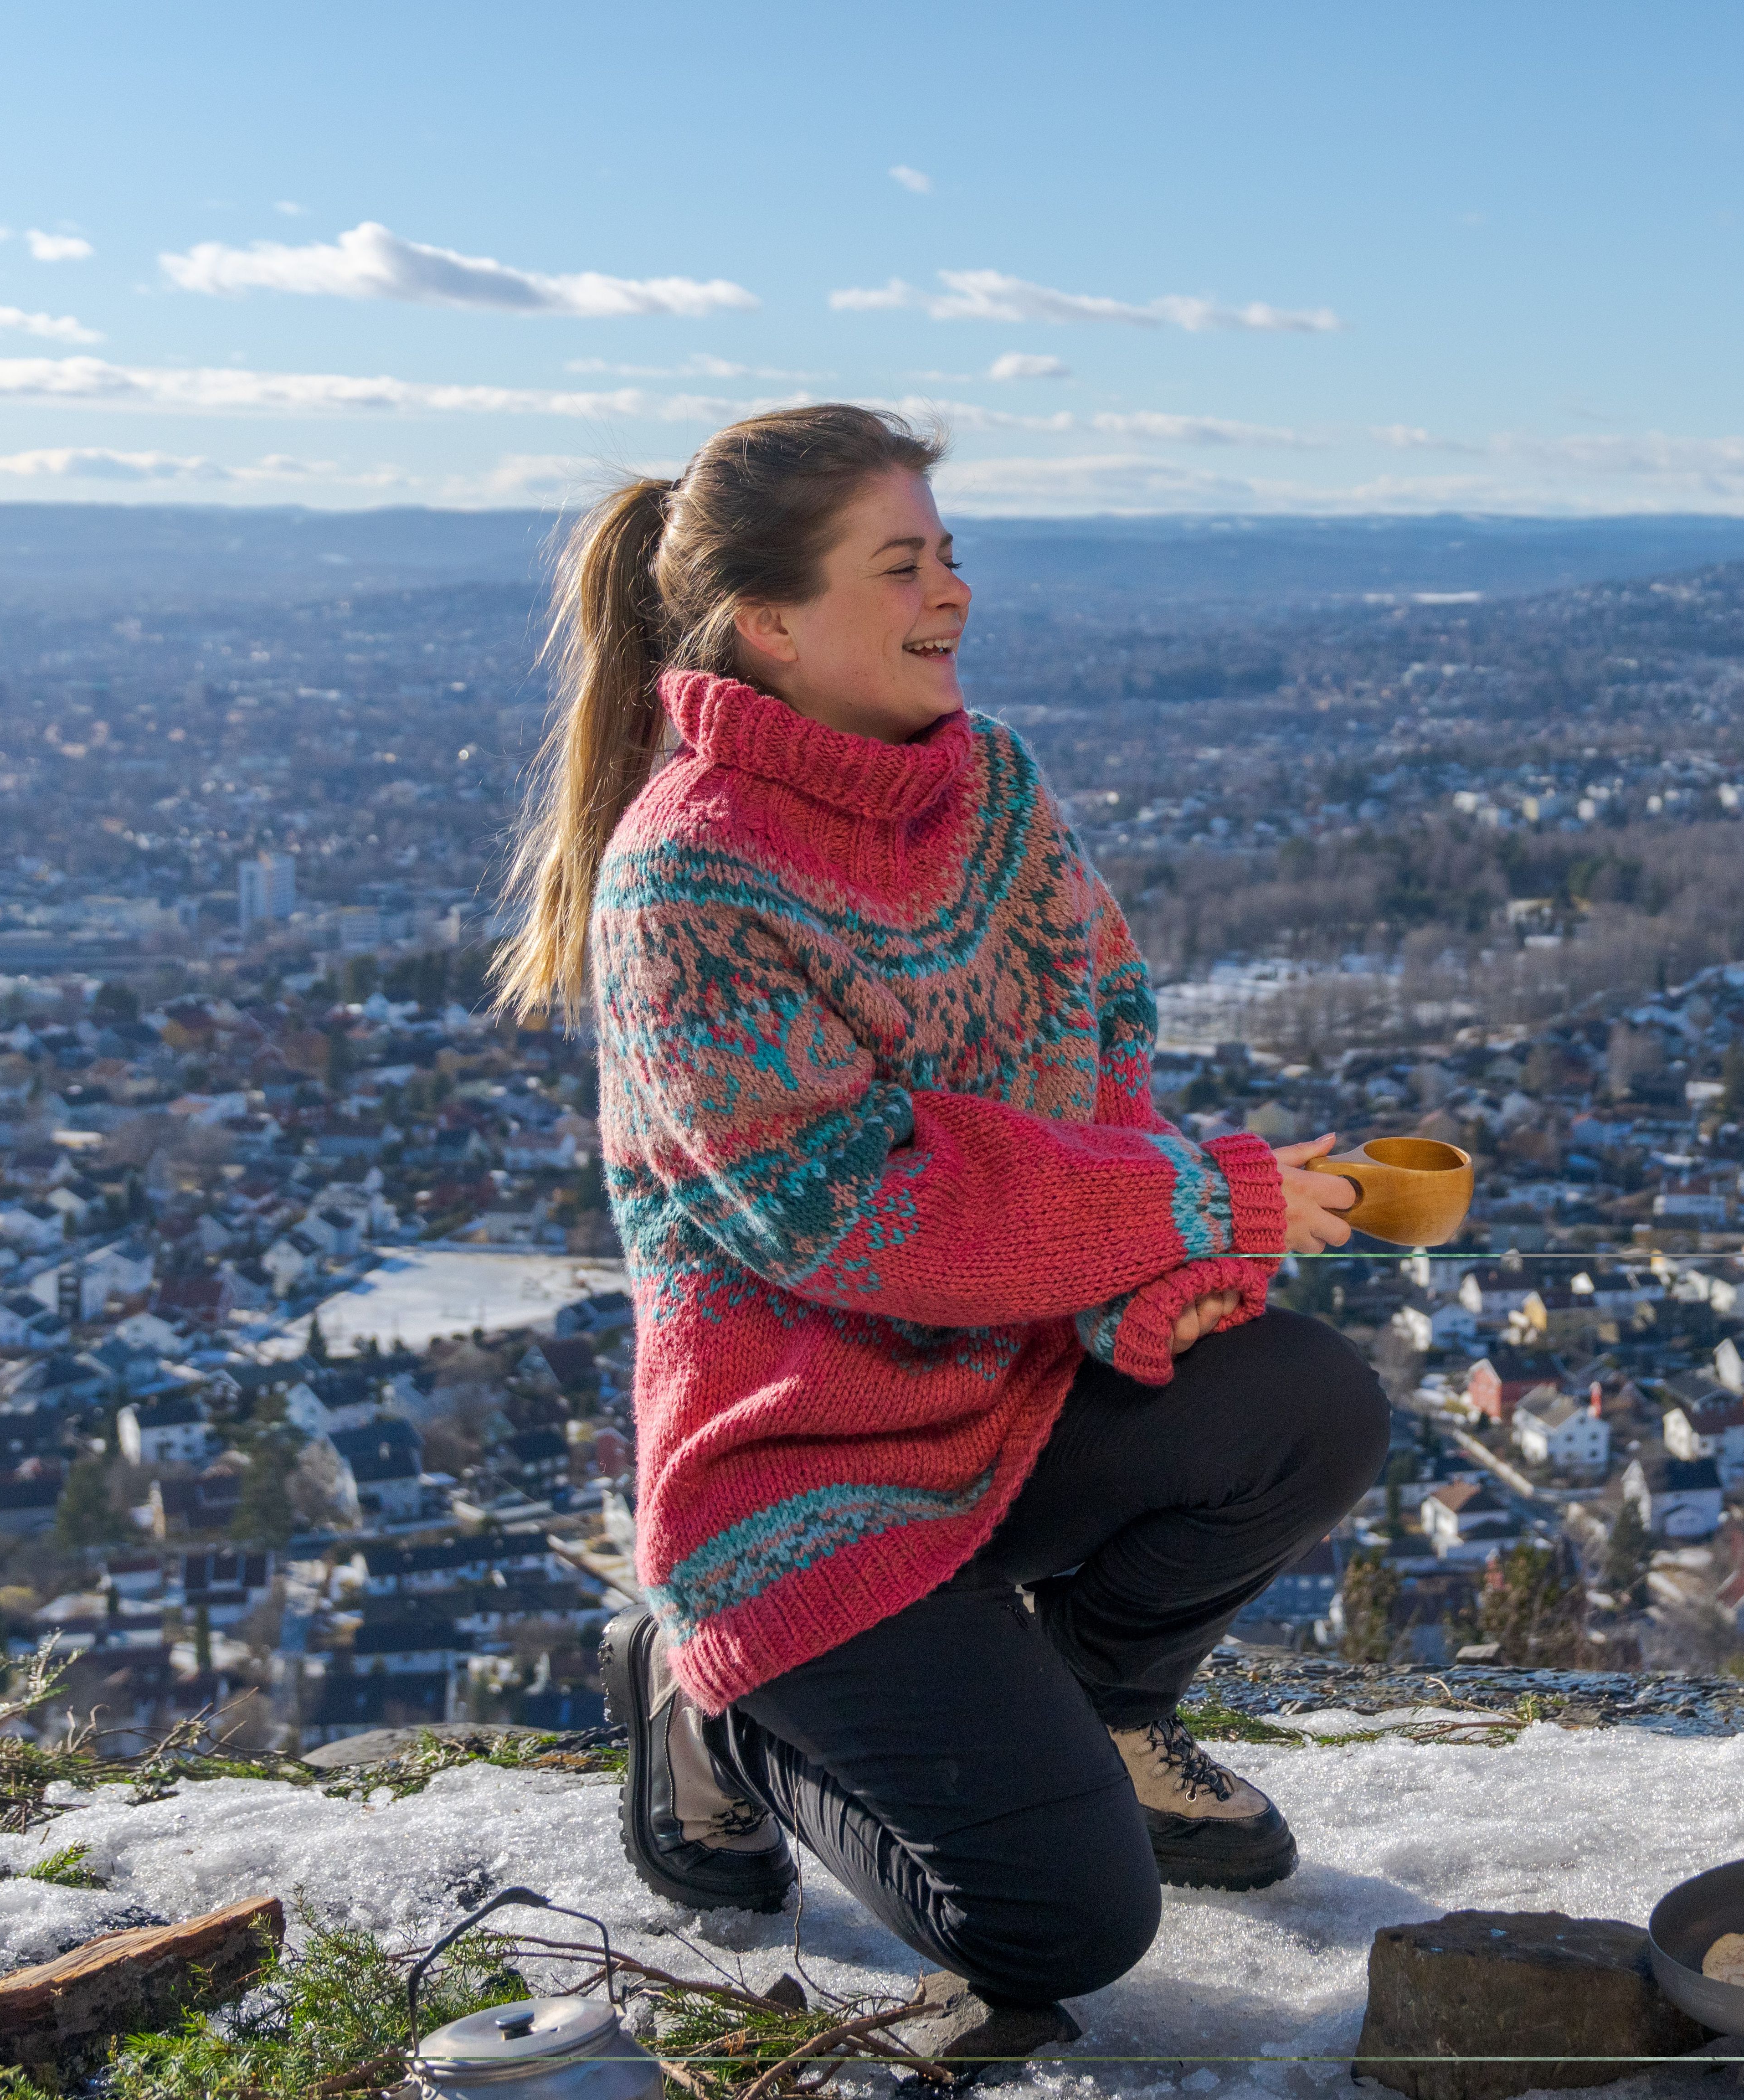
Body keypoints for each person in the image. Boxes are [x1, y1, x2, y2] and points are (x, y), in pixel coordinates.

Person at [492, 404, 1387, 2068]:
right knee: (1068, 1933)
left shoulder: (990, 788)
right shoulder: (689, 881)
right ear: (767, 621)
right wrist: (1201, 1201)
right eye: (900, 564)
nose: (950, 594)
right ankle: (712, 1705)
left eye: (950, 555)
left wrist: (1148, 1284)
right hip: (809, 1480)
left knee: (1307, 1404)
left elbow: (1104, 1026)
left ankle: (1103, 1719)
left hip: (1010, 1401)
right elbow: (868, 1208)